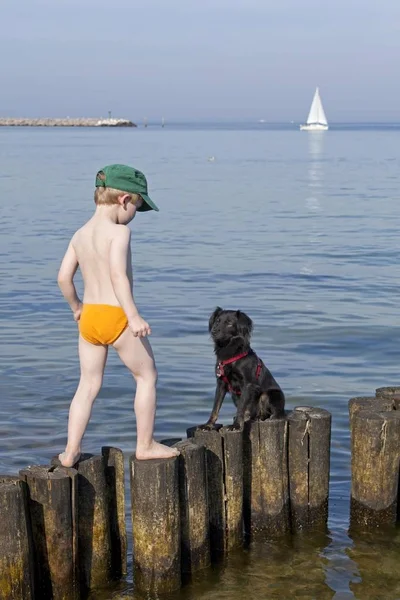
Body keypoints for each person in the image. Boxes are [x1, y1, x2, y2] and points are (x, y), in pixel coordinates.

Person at [57, 164, 179, 466]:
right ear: (124, 200)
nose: (135, 213)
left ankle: (71, 450)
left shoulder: (80, 234)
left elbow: (63, 278)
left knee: (87, 385)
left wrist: (76, 308)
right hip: (117, 315)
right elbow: (118, 276)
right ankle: (145, 444)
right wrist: (133, 316)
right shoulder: (120, 233)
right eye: (137, 206)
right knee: (147, 376)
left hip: (90, 318)